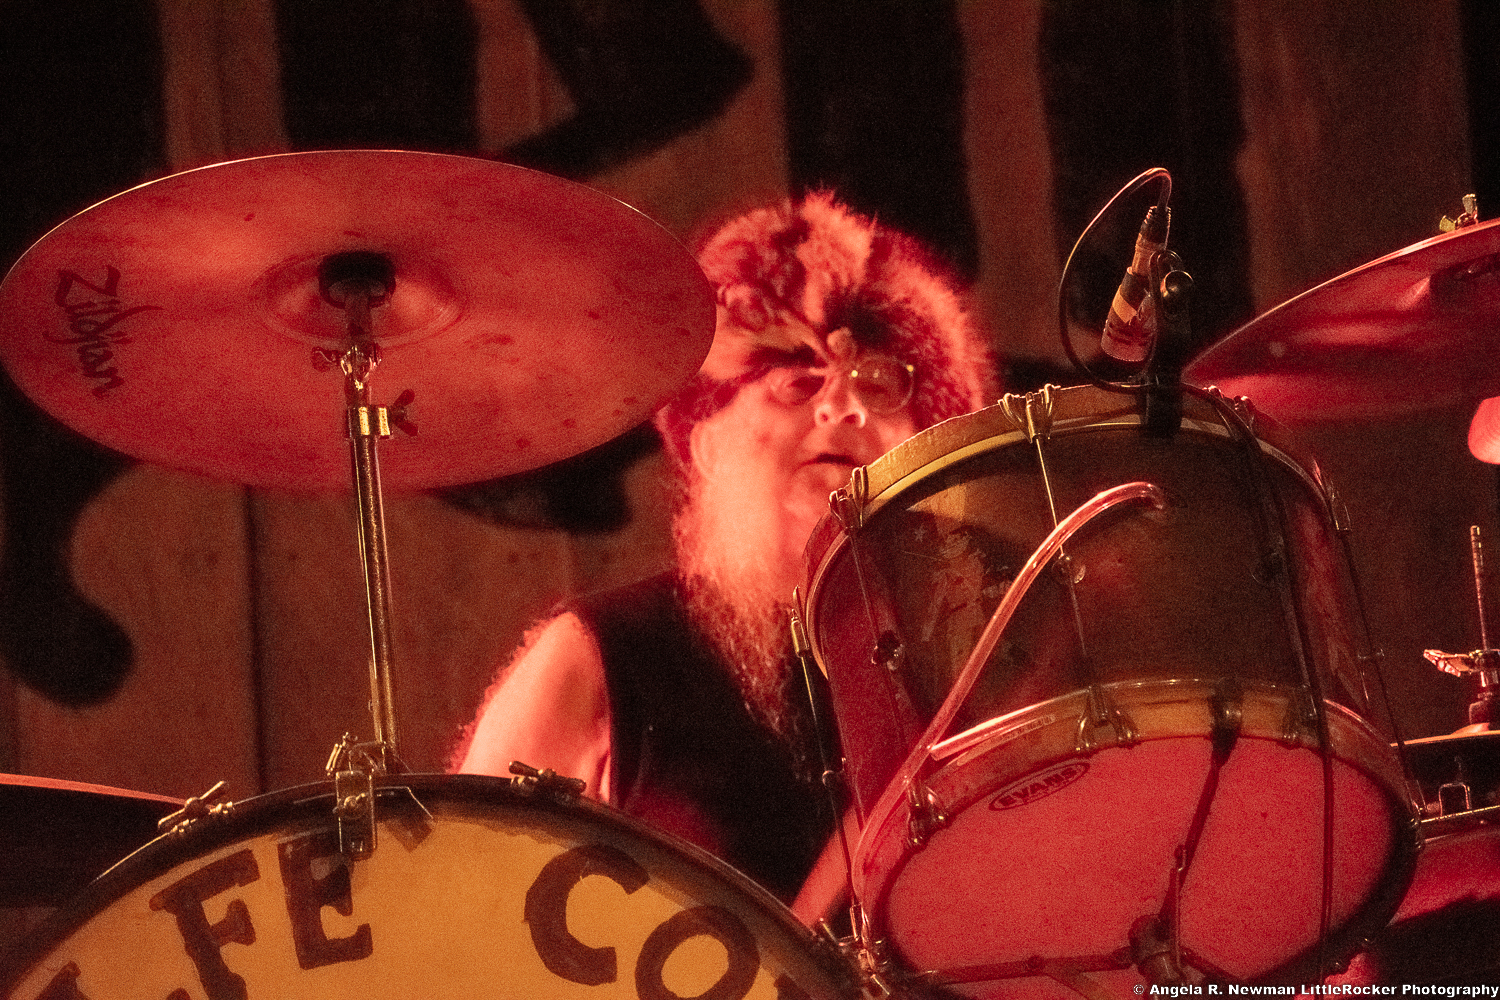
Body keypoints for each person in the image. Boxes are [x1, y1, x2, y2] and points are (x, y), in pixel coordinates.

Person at [453, 191, 997, 903]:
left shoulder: (987, 658)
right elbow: (465, 914)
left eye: (881, 385)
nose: (843, 406)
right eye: (797, 382)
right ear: (707, 446)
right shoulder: (600, 654)